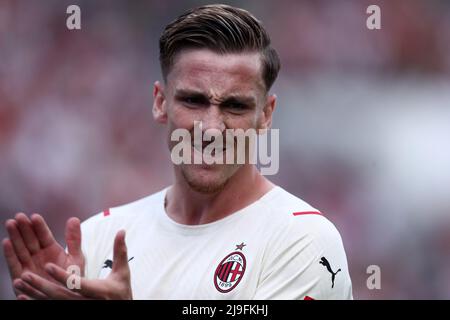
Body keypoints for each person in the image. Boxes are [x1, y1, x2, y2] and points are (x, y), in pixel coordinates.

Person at [2, 4, 352, 300]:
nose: (212, 128)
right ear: (160, 103)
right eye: (193, 101)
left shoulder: (301, 240)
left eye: (235, 106)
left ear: (265, 115)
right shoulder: (99, 239)